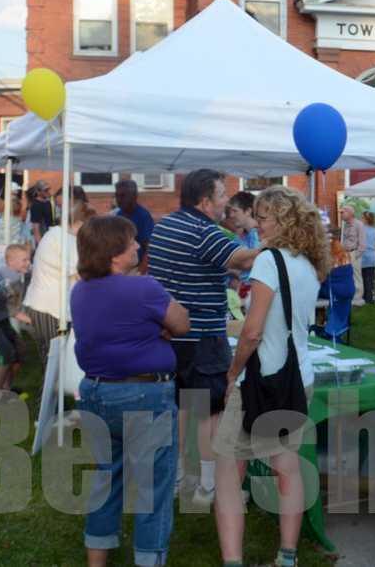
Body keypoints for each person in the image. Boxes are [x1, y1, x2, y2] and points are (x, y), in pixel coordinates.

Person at [214, 185, 330, 567]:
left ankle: (233, 560)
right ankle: (288, 554)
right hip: (297, 376)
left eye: (262, 217)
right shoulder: (309, 263)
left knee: (229, 471)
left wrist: (232, 372)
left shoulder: (268, 260)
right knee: (287, 466)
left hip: (260, 380)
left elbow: (253, 331)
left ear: (282, 220)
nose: (257, 224)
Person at [72, 215, 190, 567]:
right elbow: (181, 323)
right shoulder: (143, 288)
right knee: (153, 487)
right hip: (143, 395)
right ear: (114, 252)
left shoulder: (80, 291)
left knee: (106, 479)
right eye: (132, 241)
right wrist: (158, 328)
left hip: (96, 393)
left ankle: (96, 559)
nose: (138, 245)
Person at [147, 169, 258, 506]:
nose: (226, 202)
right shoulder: (204, 231)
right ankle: (208, 485)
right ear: (206, 201)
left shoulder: (165, 225)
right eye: (222, 195)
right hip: (204, 336)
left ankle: (177, 476)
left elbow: (189, 265)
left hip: (168, 335)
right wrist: (278, 240)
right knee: (211, 410)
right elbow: (243, 259)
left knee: (179, 406)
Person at [24, 201, 98, 374]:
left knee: (53, 363)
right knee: (55, 365)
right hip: (51, 308)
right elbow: (83, 273)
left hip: (44, 305)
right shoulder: (65, 240)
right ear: (79, 223)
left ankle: (50, 391)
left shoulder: (55, 235)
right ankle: (49, 392)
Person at [0, 244, 32, 401]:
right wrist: (3, 285)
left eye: (28, 259)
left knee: (20, 350)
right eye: (24, 260)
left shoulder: (19, 276)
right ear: (11, 261)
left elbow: (12, 306)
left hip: (3, 320)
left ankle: (7, 389)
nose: (28, 263)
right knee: (6, 353)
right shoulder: (0, 274)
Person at [114, 179, 155, 272]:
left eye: (123, 196)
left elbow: (149, 247)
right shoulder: (119, 215)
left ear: (134, 196)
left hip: (137, 267)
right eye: (116, 196)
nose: (118, 200)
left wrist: (141, 271)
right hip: (120, 267)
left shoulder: (143, 216)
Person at [0, 192, 33, 269]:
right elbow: (28, 245)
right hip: (16, 258)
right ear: (20, 210)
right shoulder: (22, 225)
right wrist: (26, 260)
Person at [339, 205, 366, 306]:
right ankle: (350, 295)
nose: (341, 214)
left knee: (356, 275)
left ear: (350, 213)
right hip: (345, 254)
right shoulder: (345, 225)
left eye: (343, 212)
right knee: (347, 275)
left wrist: (355, 255)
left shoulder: (359, 224)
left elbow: (362, 243)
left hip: (353, 253)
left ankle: (358, 298)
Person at [361, 211, 375, 304]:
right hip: (372, 257)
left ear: (366, 219)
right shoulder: (374, 230)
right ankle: (369, 298)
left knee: (363, 279)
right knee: (369, 279)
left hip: (363, 257)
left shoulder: (361, 230)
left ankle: (365, 298)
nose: (360, 219)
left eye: (362, 218)